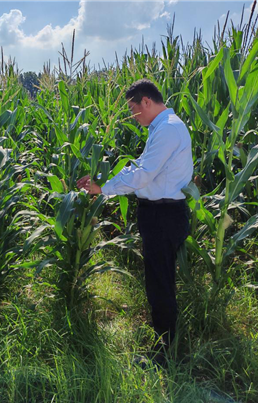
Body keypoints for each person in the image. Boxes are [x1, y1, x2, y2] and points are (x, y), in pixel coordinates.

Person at [77, 79, 192, 362]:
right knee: (159, 280)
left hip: (163, 215)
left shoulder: (167, 130)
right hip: (162, 213)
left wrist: (102, 189)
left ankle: (163, 355)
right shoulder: (165, 127)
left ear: (146, 102)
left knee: (160, 284)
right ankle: (164, 338)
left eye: (132, 108)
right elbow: (140, 168)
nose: (132, 115)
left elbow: (142, 175)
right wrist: (103, 181)